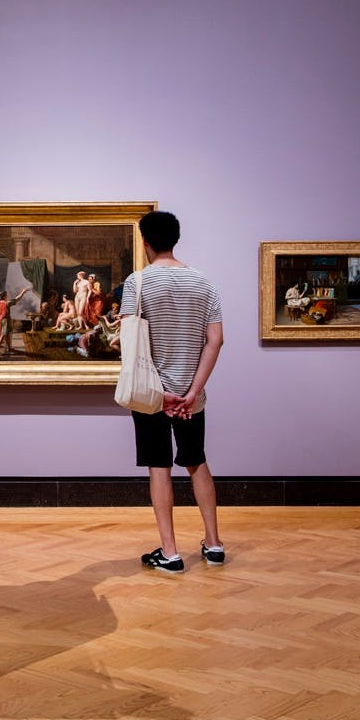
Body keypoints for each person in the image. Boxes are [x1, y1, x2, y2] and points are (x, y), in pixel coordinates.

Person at [120, 210, 224, 574]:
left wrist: (161, 394)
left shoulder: (138, 283)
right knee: (196, 461)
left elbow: (129, 343)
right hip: (191, 397)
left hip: (153, 396)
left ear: (145, 242)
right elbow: (216, 340)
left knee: (159, 466)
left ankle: (171, 552)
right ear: (175, 239)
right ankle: (213, 544)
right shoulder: (204, 282)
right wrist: (193, 391)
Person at [0, 287, 29, 355]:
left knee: (7, 335)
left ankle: (9, 347)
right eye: (6, 295)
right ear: (4, 296)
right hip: (5, 321)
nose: (7, 296)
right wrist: (23, 292)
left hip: (3, 320)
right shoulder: (6, 303)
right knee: (3, 335)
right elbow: (16, 299)